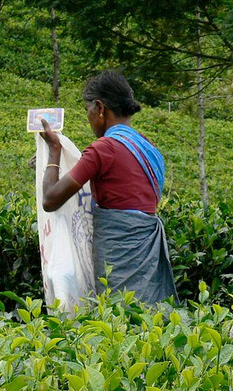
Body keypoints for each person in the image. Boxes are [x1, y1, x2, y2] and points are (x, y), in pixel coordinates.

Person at [39, 70, 178, 305]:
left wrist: (53, 151)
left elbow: (50, 200)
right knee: (148, 319)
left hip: (119, 252)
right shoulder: (147, 145)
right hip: (147, 250)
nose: (89, 118)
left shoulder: (103, 149)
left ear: (100, 108)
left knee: (120, 316)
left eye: (88, 111)